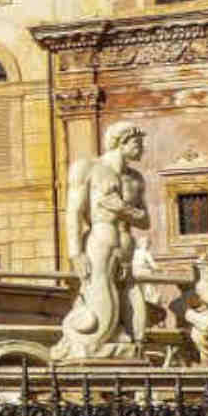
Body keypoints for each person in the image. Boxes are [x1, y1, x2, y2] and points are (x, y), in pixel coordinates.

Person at [53, 122, 149, 360]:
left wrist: (122, 208)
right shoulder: (88, 168)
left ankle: (126, 339)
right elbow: (73, 212)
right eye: (137, 143)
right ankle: (92, 339)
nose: (142, 148)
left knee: (132, 300)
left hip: (127, 244)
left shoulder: (136, 179)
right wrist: (75, 253)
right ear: (121, 142)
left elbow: (145, 221)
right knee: (101, 291)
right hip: (101, 236)